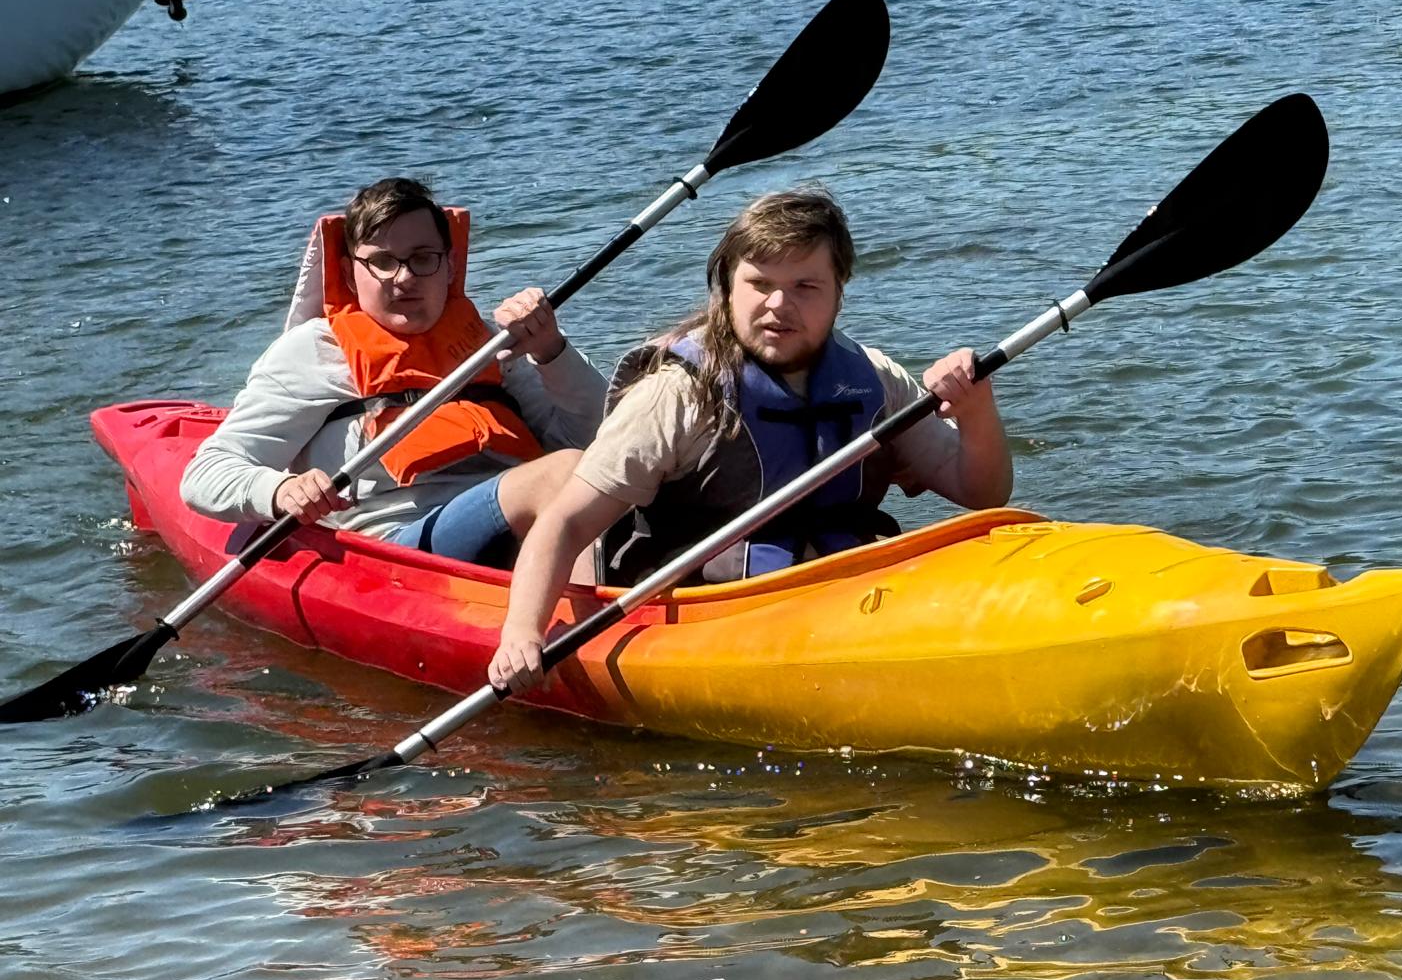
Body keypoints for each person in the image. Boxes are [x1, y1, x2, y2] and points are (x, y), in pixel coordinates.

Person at [487, 186, 1013, 692]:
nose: (779, 304)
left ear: (839, 292)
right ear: (727, 288)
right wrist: (523, 632)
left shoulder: (874, 380)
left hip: (844, 592)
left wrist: (975, 410)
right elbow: (566, 522)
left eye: (806, 287)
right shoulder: (677, 394)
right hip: (712, 615)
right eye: (760, 283)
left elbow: (981, 492)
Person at [180, 177, 606, 564]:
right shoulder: (312, 352)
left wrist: (552, 351)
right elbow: (206, 473)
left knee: (611, 463)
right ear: (349, 274)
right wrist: (279, 490)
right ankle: (584, 608)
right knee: (567, 473)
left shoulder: (491, 342)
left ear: (449, 265)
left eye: (423, 258)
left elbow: (595, 439)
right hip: (403, 545)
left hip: (520, 516)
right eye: (383, 261)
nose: (403, 278)